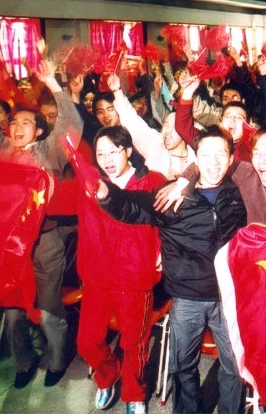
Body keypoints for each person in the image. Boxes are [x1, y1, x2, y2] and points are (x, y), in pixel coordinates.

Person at [96, 125, 246, 414]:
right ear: (195, 158)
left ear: (231, 158)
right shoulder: (173, 195)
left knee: (233, 365)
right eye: (206, 154)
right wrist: (107, 195)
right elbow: (135, 206)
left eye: (221, 154)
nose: (214, 162)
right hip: (187, 297)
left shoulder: (238, 193)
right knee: (183, 367)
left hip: (227, 297)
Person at [0, 51, 83, 389]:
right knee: (13, 315)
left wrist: (53, 82)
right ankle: (24, 363)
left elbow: (71, 126)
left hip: (46, 244)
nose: (17, 127)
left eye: (26, 123)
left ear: (39, 131)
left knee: (50, 310)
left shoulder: (50, 152)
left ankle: (56, 360)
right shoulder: (1, 153)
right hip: (11, 249)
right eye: (14, 123)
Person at [49, 126, 165, 414]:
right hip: (98, 278)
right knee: (87, 342)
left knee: (134, 344)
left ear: (128, 151)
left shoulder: (152, 181)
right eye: (101, 154)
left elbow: (169, 220)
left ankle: (135, 394)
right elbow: (52, 197)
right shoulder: (88, 184)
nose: (107, 159)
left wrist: (164, 250)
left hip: (135, 278)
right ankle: (108, 374)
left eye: (114, 151)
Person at [158, 125, 266, 242]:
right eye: (256, 153)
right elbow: (212, 162)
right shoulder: (247, 174)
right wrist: (182, 183)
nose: (261, 160)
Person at [108, 74, 195, 180]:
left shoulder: (198, 156)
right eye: (165, 125)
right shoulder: (154, 145)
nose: (167, 131)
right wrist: (117, 91)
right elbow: (133, 123)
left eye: (174, 127)